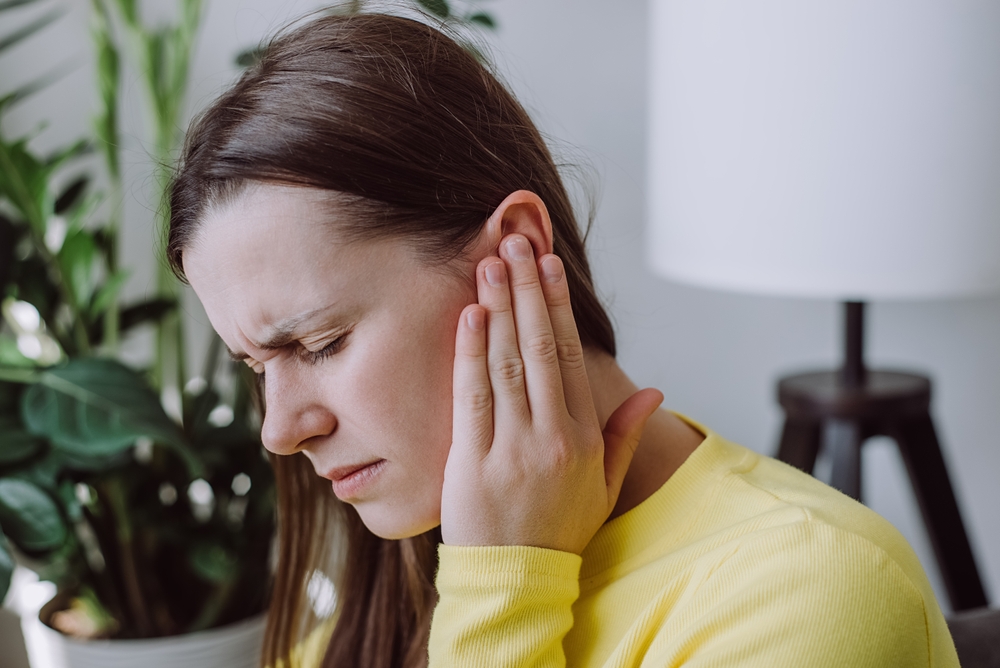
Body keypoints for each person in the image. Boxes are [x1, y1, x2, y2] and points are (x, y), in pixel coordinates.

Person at [167, 12, 960, 668]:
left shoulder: (813, 595)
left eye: (320, 342)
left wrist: (502, 590)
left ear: (510, 250)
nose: (280, 429)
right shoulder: (368, 610)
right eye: (256, 368)